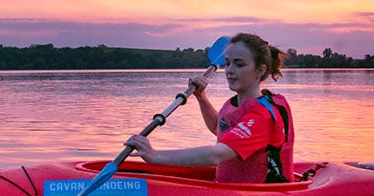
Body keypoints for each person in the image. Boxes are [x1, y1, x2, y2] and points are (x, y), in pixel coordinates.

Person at [126, 32, 295, 183]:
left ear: (260, 70)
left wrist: (156, 155)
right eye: (228, 63)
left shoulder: (262, 116)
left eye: (239, 64)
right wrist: (201, 96)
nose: (229, 70)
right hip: (227, 189)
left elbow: (217, 155)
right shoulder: (233, 104)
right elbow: (218, 128)